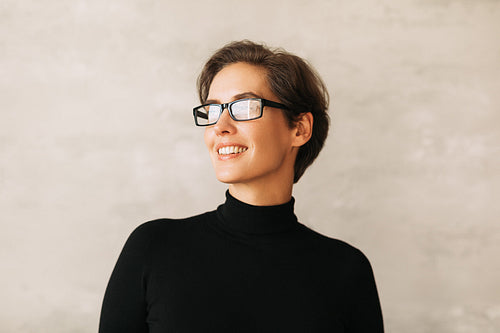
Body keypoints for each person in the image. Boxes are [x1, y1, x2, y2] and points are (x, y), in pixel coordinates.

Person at [99, 40, 384, 332]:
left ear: (299, 129)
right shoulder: (153, 248)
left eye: (245, 107)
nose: (220, 126)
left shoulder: (346, 271)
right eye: (212, 110)